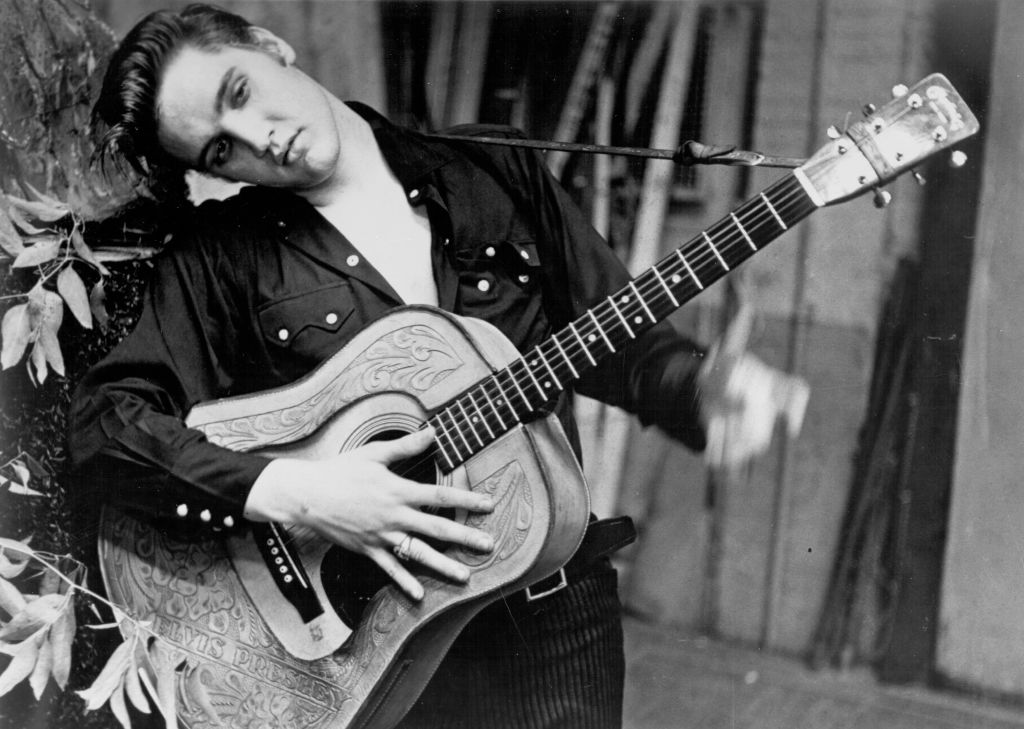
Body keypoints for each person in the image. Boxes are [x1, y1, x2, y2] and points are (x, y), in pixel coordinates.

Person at [71, 4, 796, 727]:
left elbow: (617, 340)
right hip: (379, 643)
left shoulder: (491, 167)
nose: (261, 139)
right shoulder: (223, 256)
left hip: (552, 612)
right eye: (222, 154)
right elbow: (106, 426)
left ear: (269, 45)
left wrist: (703, 387)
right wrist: (299, 492)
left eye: (239, 93)